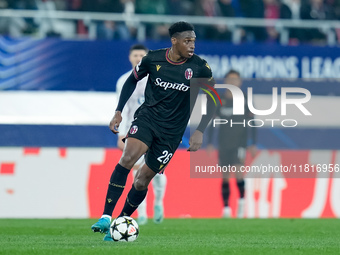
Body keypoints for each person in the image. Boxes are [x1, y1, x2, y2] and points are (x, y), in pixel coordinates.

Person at [91, 21, 216, 241]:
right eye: (187, 41)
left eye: (194, 41)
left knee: (142, 180)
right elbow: (132, 80)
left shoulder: (200, 67)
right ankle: (105, 216)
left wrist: (200, 131)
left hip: (171, 133)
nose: (192, 45)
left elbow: (213, 99)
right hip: (147, 119)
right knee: (127, 158)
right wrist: (119, 111)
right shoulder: (153, 59)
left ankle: (119, 223)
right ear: (174, 41)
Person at [115, 44, 167, 225]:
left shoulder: (157, 79)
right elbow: (122, 109)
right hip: (134, 131)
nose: (138, 58)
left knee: (157, 171)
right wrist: (121, 134)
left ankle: (159, 203)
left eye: (141, 55)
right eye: (135, 55)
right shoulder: (124, 81)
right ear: (130, 58)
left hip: (156, 129)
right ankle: (141, 212)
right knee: (136, 171)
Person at [207, 70, 257, 218]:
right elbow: (212, 122)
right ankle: (227, 208)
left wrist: (252, 143)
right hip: (224, 143)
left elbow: (252, 122)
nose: (233, 83)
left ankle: (241, 203)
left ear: (240, 82)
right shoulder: (219, 100)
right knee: (225, 175)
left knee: (239, 172)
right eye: (230, 80)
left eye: (236, 80)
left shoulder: (246, 100)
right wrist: (210, 143)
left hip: (240, 143)